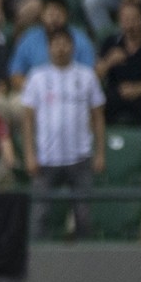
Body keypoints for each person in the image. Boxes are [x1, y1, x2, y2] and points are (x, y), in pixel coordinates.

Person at [20, 29, 106, 240]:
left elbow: (98, 117)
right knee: (39, 214)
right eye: (55, 44)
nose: (60, 48)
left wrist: (100, 153)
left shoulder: (86, 76)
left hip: (79, 157)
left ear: (72, 47)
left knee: (83, 215)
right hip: (46, 158)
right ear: (48, 48)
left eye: (65, 43)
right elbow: (28, 119)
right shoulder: (37, 77)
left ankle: (86, 261)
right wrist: (30, 154)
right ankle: (37, 260)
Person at [9, 0, 95, 92]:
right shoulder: (29, 38)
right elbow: (16, 75)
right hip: (34, 92)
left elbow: (89, 75)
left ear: (67, 15)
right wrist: (38, 91)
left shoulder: (80, 40)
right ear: (41, 15)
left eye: (58, 14)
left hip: (72, 93)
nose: (54, 19)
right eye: (50, 14)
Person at [95, 0, 141, 126]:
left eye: (134, 19)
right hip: (114, 95)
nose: (130, 25)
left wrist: (139, 88)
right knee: (91, 103)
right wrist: (108, 62)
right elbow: (94, 77)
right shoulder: (110, 42)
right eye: (126, 20)